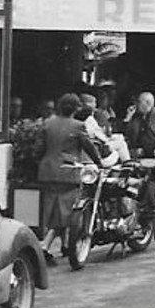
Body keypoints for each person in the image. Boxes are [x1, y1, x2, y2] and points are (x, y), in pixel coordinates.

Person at [36, 93, 105, 261]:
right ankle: (45, 245)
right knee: (68, 213)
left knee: (53, 209)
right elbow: (88, 146)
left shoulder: (47, 123)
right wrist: (99, 162)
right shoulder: (78, 126)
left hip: (47, 171)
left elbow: (40, 148)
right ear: (76, 108)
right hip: (67, 172)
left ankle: (65, 245)